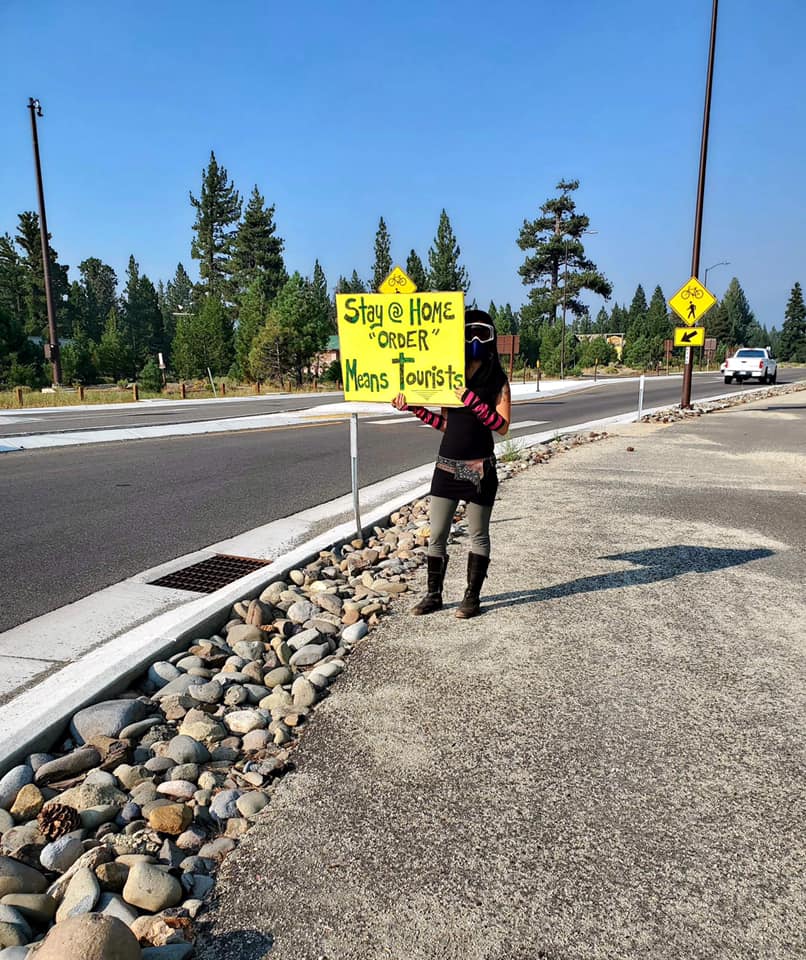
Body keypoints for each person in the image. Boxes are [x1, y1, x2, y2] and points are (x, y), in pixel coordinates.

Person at [392, 309, 511, 618]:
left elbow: (502, 426)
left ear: (491, 337)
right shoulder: (450, 375)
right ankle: (433, 595)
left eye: (481, 333)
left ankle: (472, 598)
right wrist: (417, 409)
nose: (474, 339)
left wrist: (471, 400)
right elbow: (446, 425)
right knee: (437, 534)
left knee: (479, 534)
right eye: (468, 332)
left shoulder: (497, 379)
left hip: (479, 470)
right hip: (447, 466)